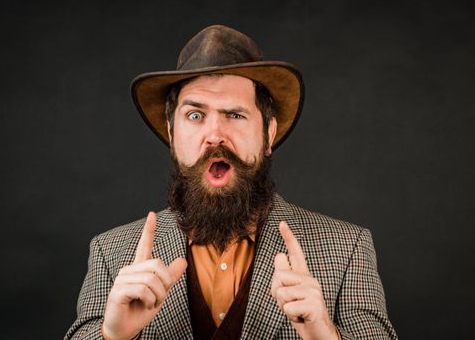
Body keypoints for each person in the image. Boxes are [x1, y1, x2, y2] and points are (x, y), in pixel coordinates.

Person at [65, 25, 398, 340]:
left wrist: (327, 335)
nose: (214, 135)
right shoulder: (111, 253)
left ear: (268, 133)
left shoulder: (347, 247)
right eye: (195, 115)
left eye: (235, 115)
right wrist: (113, 336)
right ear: (171, 133)